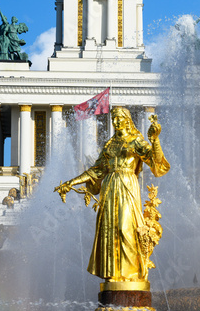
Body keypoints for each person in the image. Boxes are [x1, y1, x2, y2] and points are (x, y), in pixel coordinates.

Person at [55, 107, 170, 282]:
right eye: (113, 119)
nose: (115, 122)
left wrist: (154, 140)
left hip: (127, 184)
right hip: (109, 186)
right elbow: (96, 171)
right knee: (110, 231)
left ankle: (132, 273)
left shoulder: (136, 141)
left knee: (126, 228)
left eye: (118, 118)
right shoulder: (109, 144)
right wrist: (71, 182)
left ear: (127, 119)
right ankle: (114, 274)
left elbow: (156, 164)